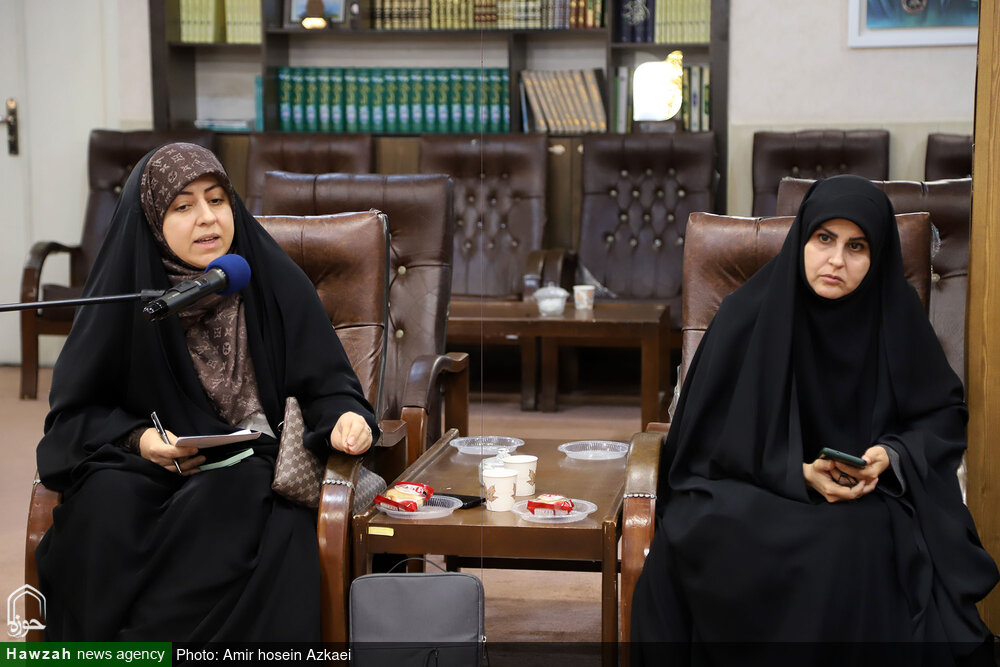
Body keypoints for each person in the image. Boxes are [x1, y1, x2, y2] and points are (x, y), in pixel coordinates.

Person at [630, 175, 997, 665]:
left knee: (860, 540)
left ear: (877, 256)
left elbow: (942, 414)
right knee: (711, 528)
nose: (836, 260)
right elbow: (703, 441)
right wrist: (796, 473)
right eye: (824, 238)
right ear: (802, 238)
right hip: (753, 486)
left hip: (861, 498)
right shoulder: (746, 314)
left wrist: (889, 456)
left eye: (856, 246)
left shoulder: (896, 314)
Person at [34, 142, 379, 641]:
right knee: (104, 506)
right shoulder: (127, 295)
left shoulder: (273, 279)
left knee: (238, 497)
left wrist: (347, 419)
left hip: (251, 467)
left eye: (217, 200)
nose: (207, 218)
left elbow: (328, 386)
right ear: (152, 220)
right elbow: (73, 418)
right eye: (183, 206)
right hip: (151, 465)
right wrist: (140, 440)